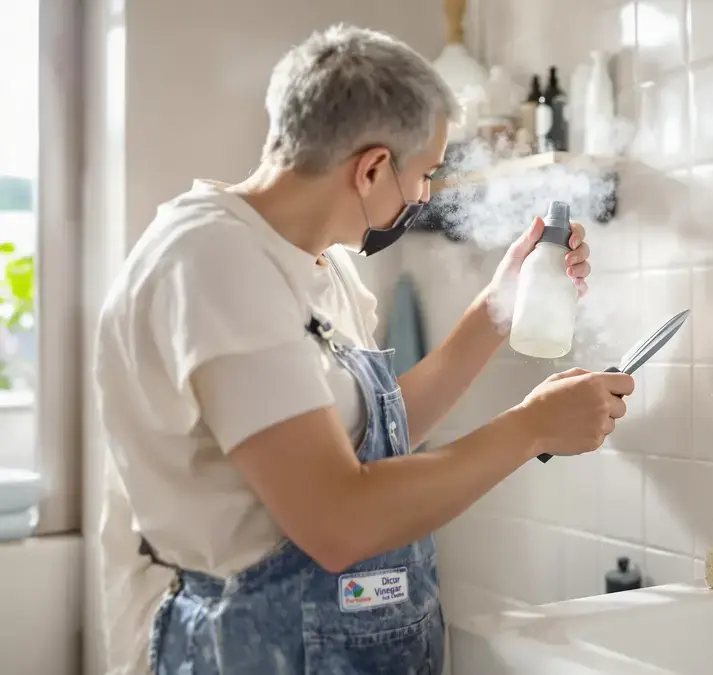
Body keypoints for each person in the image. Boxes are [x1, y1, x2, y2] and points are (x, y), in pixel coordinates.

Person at [93, 24, 634, 675]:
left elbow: (372, 433)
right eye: (425, 173)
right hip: (241, 649)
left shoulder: (325, 267)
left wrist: (500, 306)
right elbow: (337, 517)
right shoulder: (213, 263)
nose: (427, 195)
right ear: (373, 166)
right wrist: (530, 427)